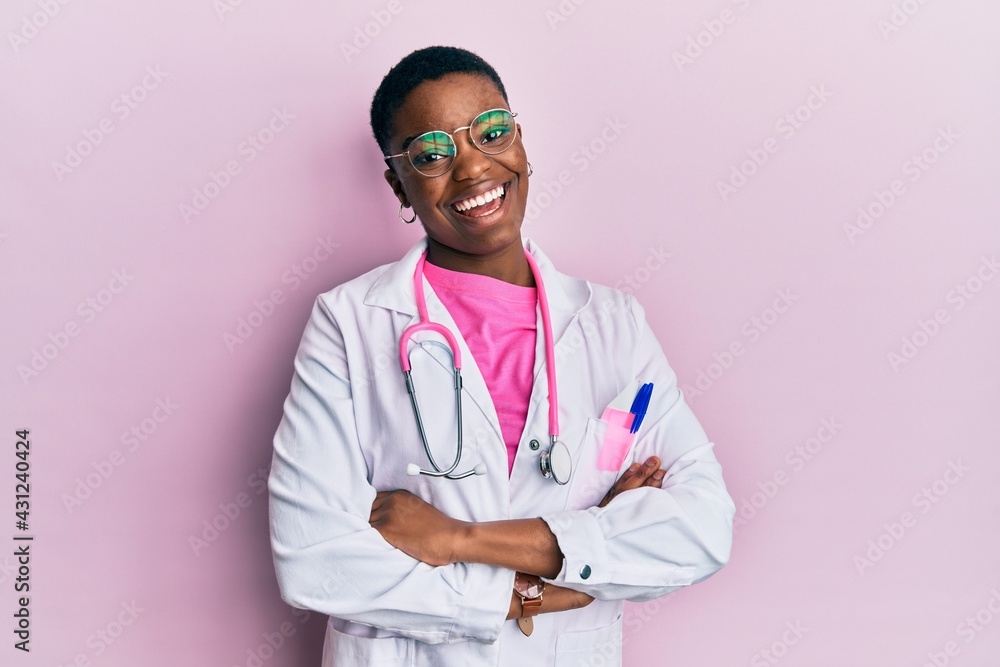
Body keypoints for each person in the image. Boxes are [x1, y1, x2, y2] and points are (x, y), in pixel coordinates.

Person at [268, 45, 735, 666]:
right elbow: (314, 559)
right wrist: (525, 595)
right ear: (397, 183)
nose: (471, 169)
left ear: (521, 142)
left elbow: (702, 528)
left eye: (492, 132)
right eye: (432, 154)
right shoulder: (350, 322)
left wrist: (457, 539)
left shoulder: (613, 324)